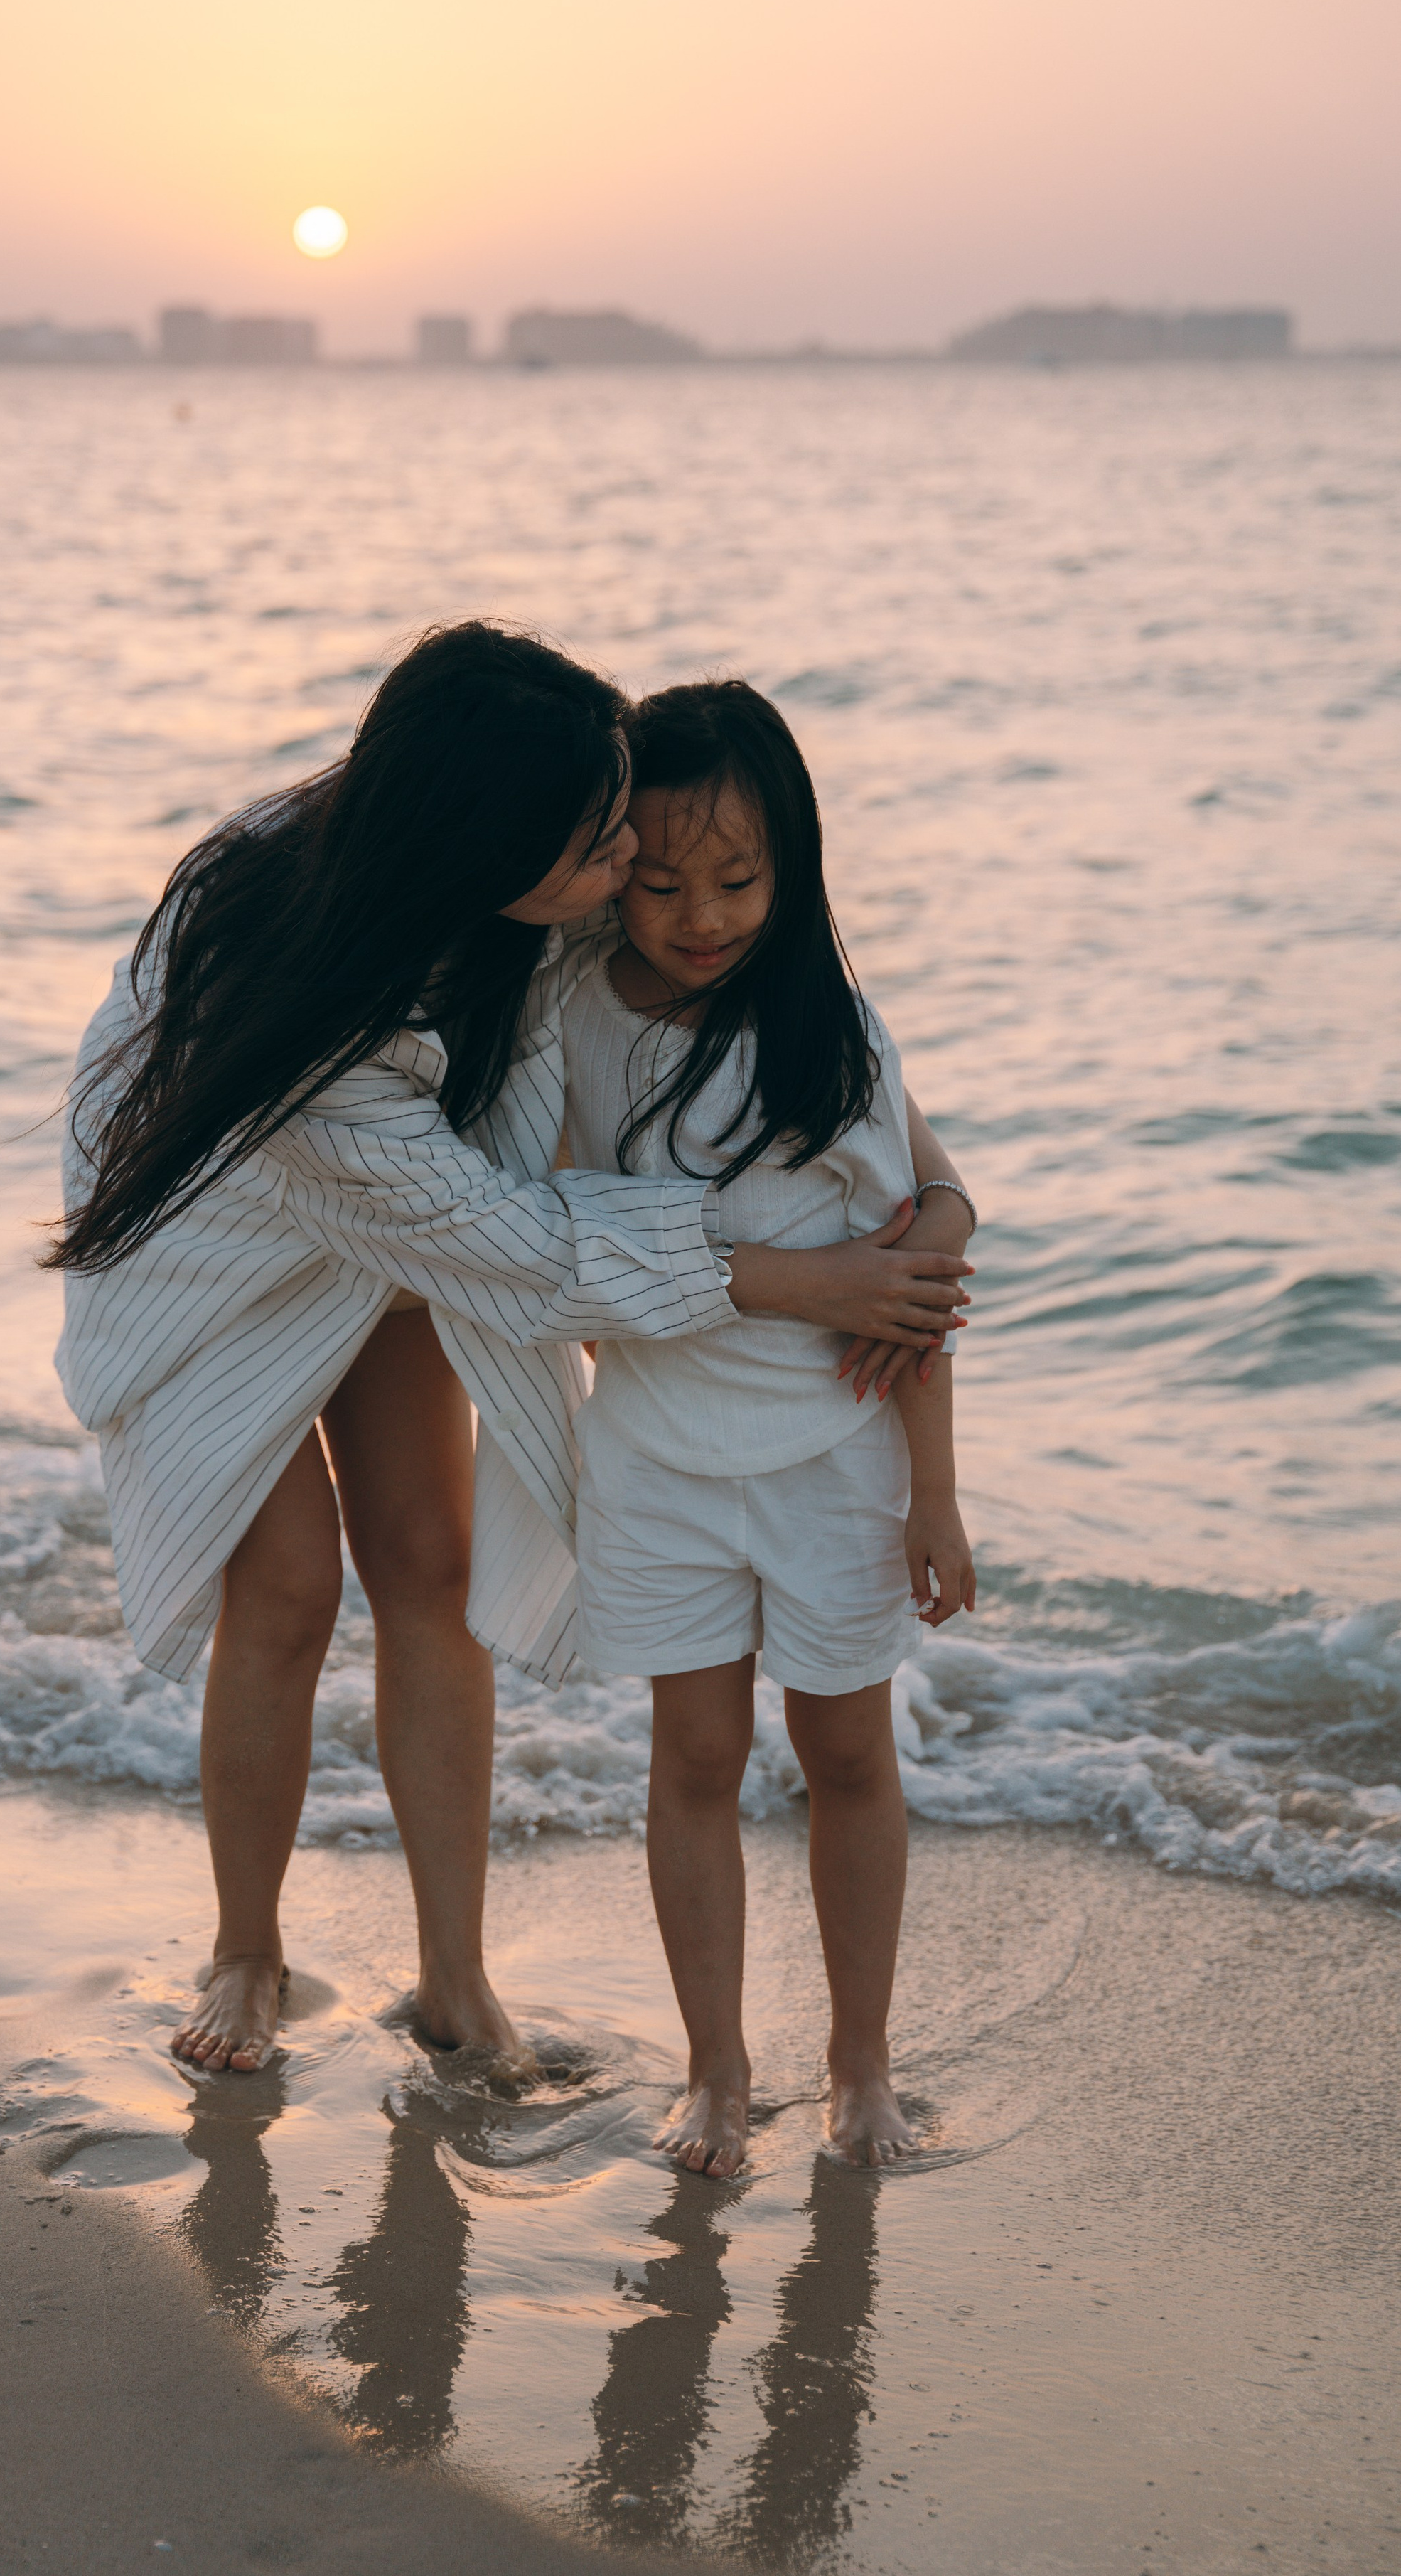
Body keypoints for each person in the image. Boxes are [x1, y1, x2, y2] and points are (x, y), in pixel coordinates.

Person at [48, 625, 973, 2079]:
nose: (630, 867)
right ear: (492, 845)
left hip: (424, 1227)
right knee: (284, 1582)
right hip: (213, 1254)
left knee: (429, 1554)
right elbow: (530, 1254)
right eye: (607, 844)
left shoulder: (522, 887)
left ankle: (454, 1974)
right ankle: (245, 1947)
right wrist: (806, 1281)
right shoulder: (304, 991)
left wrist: (930, 1186)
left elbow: (771, 1009)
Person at [559, 678, 976, 2171]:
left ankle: (858, 2063)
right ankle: (715, 2072)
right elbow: (549, 1248)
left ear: (791, 867)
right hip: (655, 1458)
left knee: (849, 1755)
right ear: (610, 867)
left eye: (737, 878)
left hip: (831, 1457)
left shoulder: (828, 1030)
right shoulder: (576, 1027)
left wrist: (934, 1495)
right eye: (660, 879)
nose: (698, 913)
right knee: (690, 1758)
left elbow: (916, 1276)